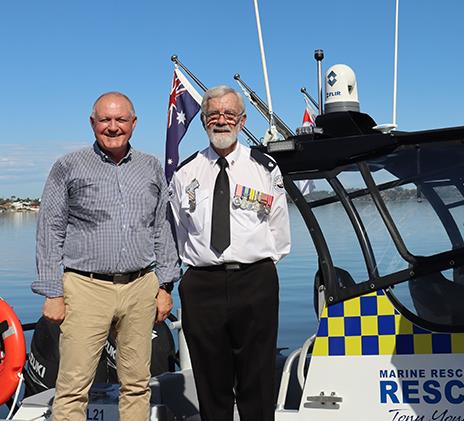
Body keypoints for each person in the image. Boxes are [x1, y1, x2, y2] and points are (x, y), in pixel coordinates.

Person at [32, 92, 180, 421]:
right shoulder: (68, 166)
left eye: (121, 120)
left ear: (134, 123)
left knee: (138, 385)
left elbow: (162, 228)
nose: (113, 127)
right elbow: (50, 228)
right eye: (105, 120)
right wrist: (52, 291)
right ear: (92, 123)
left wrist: (166, 286)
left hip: (141, 286)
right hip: (85, 288)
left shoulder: (151, 167)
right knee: (72, 387)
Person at [169, 85, 291, 421]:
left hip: (255, 282)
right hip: (202, 286)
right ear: (204, 120)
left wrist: (255, 263)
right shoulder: (185, 173)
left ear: (242, 119)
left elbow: (279, 230)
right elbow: (178, 232)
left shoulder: (265, 168)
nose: (221, 120)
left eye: (229, 114)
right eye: (214, 114)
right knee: (211, 383)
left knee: (258, 380)